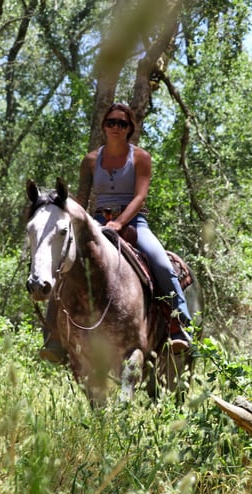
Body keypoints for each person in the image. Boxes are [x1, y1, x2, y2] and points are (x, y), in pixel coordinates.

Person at [40, 102, 193, 362]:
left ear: (130, 127)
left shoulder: (141, 157)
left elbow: (140, 197)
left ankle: (179, 325)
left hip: (134, 223)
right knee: (64, 266)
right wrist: (59, 205)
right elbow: (83, 198)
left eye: (122, 123)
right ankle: (53, 336)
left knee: (161, 263)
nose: (116, 127)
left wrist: (120, 222)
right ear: (104, 126)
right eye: (111, 122)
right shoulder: (90, 160)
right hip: (97, 223)